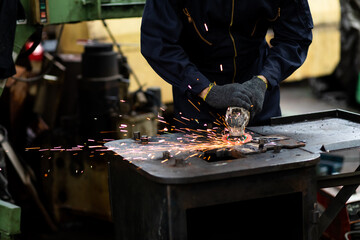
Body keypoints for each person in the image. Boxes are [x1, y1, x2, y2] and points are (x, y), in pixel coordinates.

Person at [141, 0, 313, 129]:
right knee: (198, 168)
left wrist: (264, 80)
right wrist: (206, 90)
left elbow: (295, 36)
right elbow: (157, 43)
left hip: (257, 89)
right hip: (197, 93)